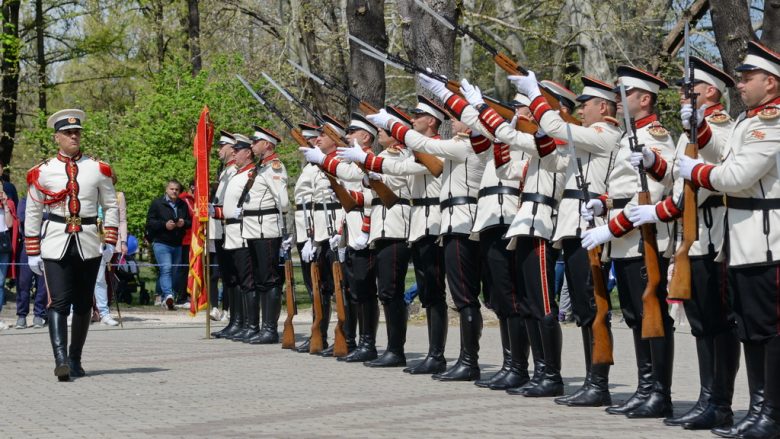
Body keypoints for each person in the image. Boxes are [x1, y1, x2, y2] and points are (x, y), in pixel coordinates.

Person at [627, 56, 741, 431]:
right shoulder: (686, 131)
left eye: (690, 90)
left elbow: (717, 157)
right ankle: (708, 398)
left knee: (717, 323)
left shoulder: (722, 125)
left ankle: (719, 402)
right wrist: (650, 161)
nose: (682, 96)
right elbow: (678, 180)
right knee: (699, 324)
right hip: (691, 239)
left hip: (714, 238)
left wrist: (701, 128)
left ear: (711, 92)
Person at [677, 41, 780, 439]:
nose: (740, 83)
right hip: (743, 241)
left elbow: (736, 177)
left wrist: (695, 171)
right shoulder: (746, 121)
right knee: (751, 329)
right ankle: (758, 410)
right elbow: (723, 151)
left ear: (771, 83)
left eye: (747, 77)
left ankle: (771, 412)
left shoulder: (771, 121)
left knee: (768, 332)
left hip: (766, 240)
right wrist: (698, 126)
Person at [513, 73, 623, 407]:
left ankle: (598, 382)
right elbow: (554, 154)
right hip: (574, 225)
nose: (582, 110)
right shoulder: (587, 138)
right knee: (582, 307)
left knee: (592, 306)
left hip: (590, 226)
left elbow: (562, 131)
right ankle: (592, 380)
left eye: (585, 105)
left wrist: (536, 97)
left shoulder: (604, 133)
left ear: (603, 106)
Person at [581, 66, 677, 418]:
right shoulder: (628, 135)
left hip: (643, 240)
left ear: (645, 99)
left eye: (626, 95)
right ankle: (644, 387)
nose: (618, 102)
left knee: (653, 317)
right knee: (637, 317)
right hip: (625, 240)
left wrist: (611, 228)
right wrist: (604, 203)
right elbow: (623, 189)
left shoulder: (654, 135)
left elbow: (651, 193)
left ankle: (660, 393)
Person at [25, 108, 119, 381]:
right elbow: (32, 212)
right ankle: (61, 360)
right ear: (57, 138)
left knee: (83, 303)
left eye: (77, 132)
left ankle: (76, 359)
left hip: (89, 241)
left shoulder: (98, 168)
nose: (74, 136)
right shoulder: (41, 172)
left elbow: (110, 206)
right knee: (59, 302)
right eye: (68, 133)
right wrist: (33, 251)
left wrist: (110, 241)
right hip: (55, 241)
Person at [241, 126, 289, 344]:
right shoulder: (262, 168)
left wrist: (284, 229)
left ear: (267, 144)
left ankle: (270, 329)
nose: (252, 145)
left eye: (256, 141)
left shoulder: (274, 168)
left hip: (267, 229)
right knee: (260, 279)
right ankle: (262, 327)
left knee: (269, 279)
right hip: (254, 229)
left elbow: (283, 201)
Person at [145, 179, 191, 310]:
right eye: (172, 189)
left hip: (177, 243)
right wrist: (164, 225)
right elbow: (150, 223)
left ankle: (168, 297)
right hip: (161, 242)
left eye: (177, 189)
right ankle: (168, 295)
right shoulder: (157, 203)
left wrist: (184, 223)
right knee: (166, 268)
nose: (174, 191)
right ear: (166, 189)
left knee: (176, 271)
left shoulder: (182, 205)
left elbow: (189, 221)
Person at [14, 196, 48, 329]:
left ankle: (39, 314)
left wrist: (37, 216)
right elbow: (23, 218)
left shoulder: (48, 201)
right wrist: (43, 216)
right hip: (27, 245)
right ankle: (21, 315)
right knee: (24, 282)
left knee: (43, 283)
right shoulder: (24, 201)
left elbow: (52, 219)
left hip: (45, 245)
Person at [0, 187, 18, 330]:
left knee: (0, 282)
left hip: (3, 241)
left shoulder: (6, 204)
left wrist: (5, 205)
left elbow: (10, 224)